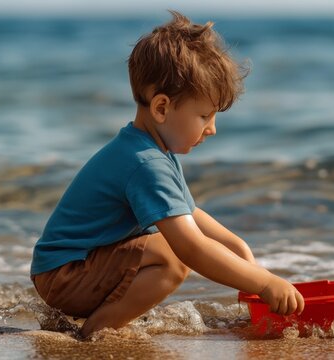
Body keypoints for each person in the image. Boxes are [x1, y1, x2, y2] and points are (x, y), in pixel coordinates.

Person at [30, 10, 304, 339]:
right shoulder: (146, 163)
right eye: (204, 115)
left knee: (167, 245)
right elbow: (192, 247)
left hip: (70, 269)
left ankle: (98, 321)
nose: (212, 129)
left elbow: (190, 213)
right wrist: (264, 282)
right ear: (161, 108)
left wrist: (238, 247)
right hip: (65, 275)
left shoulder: (153, 150)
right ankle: (95, 332)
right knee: (172, 256)